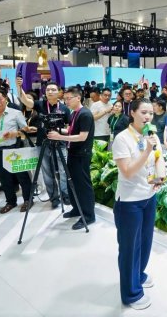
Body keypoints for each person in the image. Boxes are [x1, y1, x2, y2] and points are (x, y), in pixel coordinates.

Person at [111, 98, 165, 310]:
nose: (148, 116)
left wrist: (160, 178)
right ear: (132, 113)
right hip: (129, 202)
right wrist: (146, 150)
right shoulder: (122, 139)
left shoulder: (152, 135)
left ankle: (139, 275)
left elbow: (159, 158)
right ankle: (131, 293)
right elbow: (127, 171)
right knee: (129, 248)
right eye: (143, 112)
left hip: (149, 196)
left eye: (150, 113)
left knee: (145, 241)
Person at [16, 77, 71, 209]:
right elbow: (25, 100)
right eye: (48, 90)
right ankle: (54, 198)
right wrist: (19, 87)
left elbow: (69, 128)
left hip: (60, 143)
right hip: (43, 143)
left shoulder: (64, 108)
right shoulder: (40, 104)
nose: (50, 92)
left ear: (59, 92)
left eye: (53, 90)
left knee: (63, 171)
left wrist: (59, 132)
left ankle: (65, 195)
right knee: (47, 172)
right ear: (45, 92)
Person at [47, 87, 96, 230]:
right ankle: (77, 209)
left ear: (78, 98)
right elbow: (70, 130)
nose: (66, 101)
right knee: (72, 183)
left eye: (69, 98)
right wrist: (57, 130)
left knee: (83, 185)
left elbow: (82, 137)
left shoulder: (85, 114)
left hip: (82, 154)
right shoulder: (75, 113)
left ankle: (89, 215)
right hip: (73, 152)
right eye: (65, 99)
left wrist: (59, 137)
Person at [0, 89, 34, 213]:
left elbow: (25, 131)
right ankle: (11, 201)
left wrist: (13, 133)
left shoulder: (16, 113)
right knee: (4, 179)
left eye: (0, 99)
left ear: (5, 99)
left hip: (14, 149)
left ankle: (28, 199)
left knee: (22, 177)